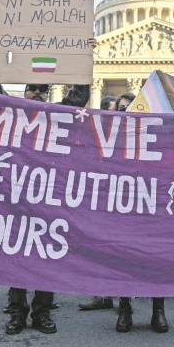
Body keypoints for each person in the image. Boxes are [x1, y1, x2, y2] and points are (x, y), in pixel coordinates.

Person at [0, 31, 93, 335]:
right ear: (24, 92)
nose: (38, 94)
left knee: (46, 258)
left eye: (44, 89)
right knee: (17, 258)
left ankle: (42, 312)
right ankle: (17, 312)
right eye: (33, 89)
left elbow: (79, 97)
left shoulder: (57, 116)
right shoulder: (12, 113)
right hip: (17, 197)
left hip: (49, 198)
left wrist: (84, 57)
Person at [78, 93, 119, 313]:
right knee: (101, 249)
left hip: (122, 201)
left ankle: (122, 297)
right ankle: (102, 294)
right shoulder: (95, 135)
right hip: (101, 199)